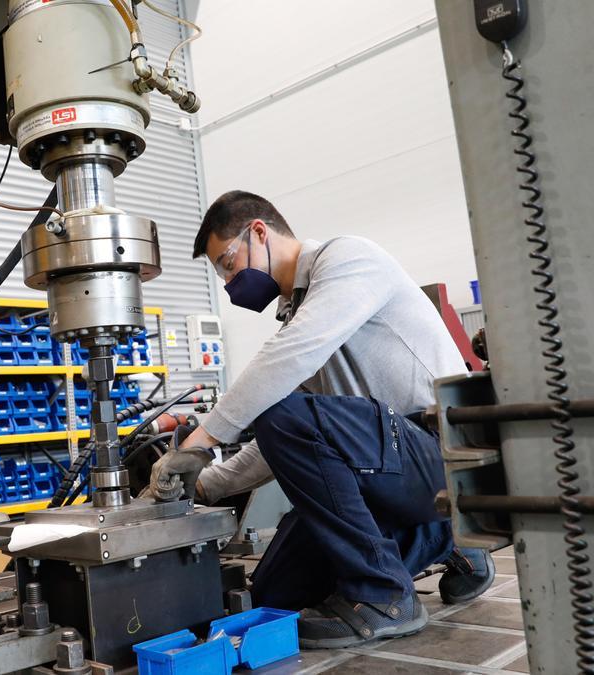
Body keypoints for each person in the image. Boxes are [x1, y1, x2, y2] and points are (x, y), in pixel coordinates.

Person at [147, 190, 495, 648]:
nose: (230, 282)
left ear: (258, 232)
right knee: (278, 592)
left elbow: (285, 380)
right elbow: (285, 436)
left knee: (278, 414)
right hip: (389, 468)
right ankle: (447, 541)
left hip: (441, 454)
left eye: (228, 263)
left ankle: (385, 597)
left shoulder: (349, 259)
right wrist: (207, 483)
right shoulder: (302, 318)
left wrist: (202, 440)